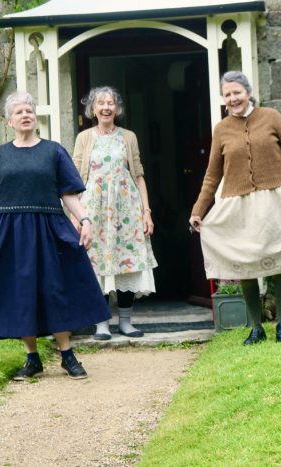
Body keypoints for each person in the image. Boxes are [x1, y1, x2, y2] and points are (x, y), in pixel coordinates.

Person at [0, 91, 110, 380]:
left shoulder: (53, 151)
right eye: (19, 112)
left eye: (29, 110)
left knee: (55, 290)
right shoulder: (0, 155)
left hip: (47, 231)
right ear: (9, 121)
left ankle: (67, 356)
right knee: (21, 294)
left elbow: (69, 194)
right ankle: (32, 359)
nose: (25, 115)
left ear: (35, 116)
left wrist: (85, 220)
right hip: (11, 235)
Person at [189, 71, 281, 345]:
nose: (233, 98)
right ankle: (256, 327)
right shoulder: (221, 129)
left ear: (248, 92)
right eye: (227, 95)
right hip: (239, 205)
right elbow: (212, 174)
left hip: (275, 200)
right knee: (244, 264)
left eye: (237, 92)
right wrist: (198, 210)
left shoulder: (271, 117)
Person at [72, 86, 157, 340]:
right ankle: (101, 324)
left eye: (110, 103)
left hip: (126, 209)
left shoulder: (128, 137)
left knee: (126, 263)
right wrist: (76, 215)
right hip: (94, 210)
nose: (106, 107)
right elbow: (75, 179)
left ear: (117, 108)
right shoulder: (84, 138)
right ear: (93, 109)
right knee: (97, 263)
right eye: (101, 103)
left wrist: (146, 212)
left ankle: (126, 322)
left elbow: (138, 176)